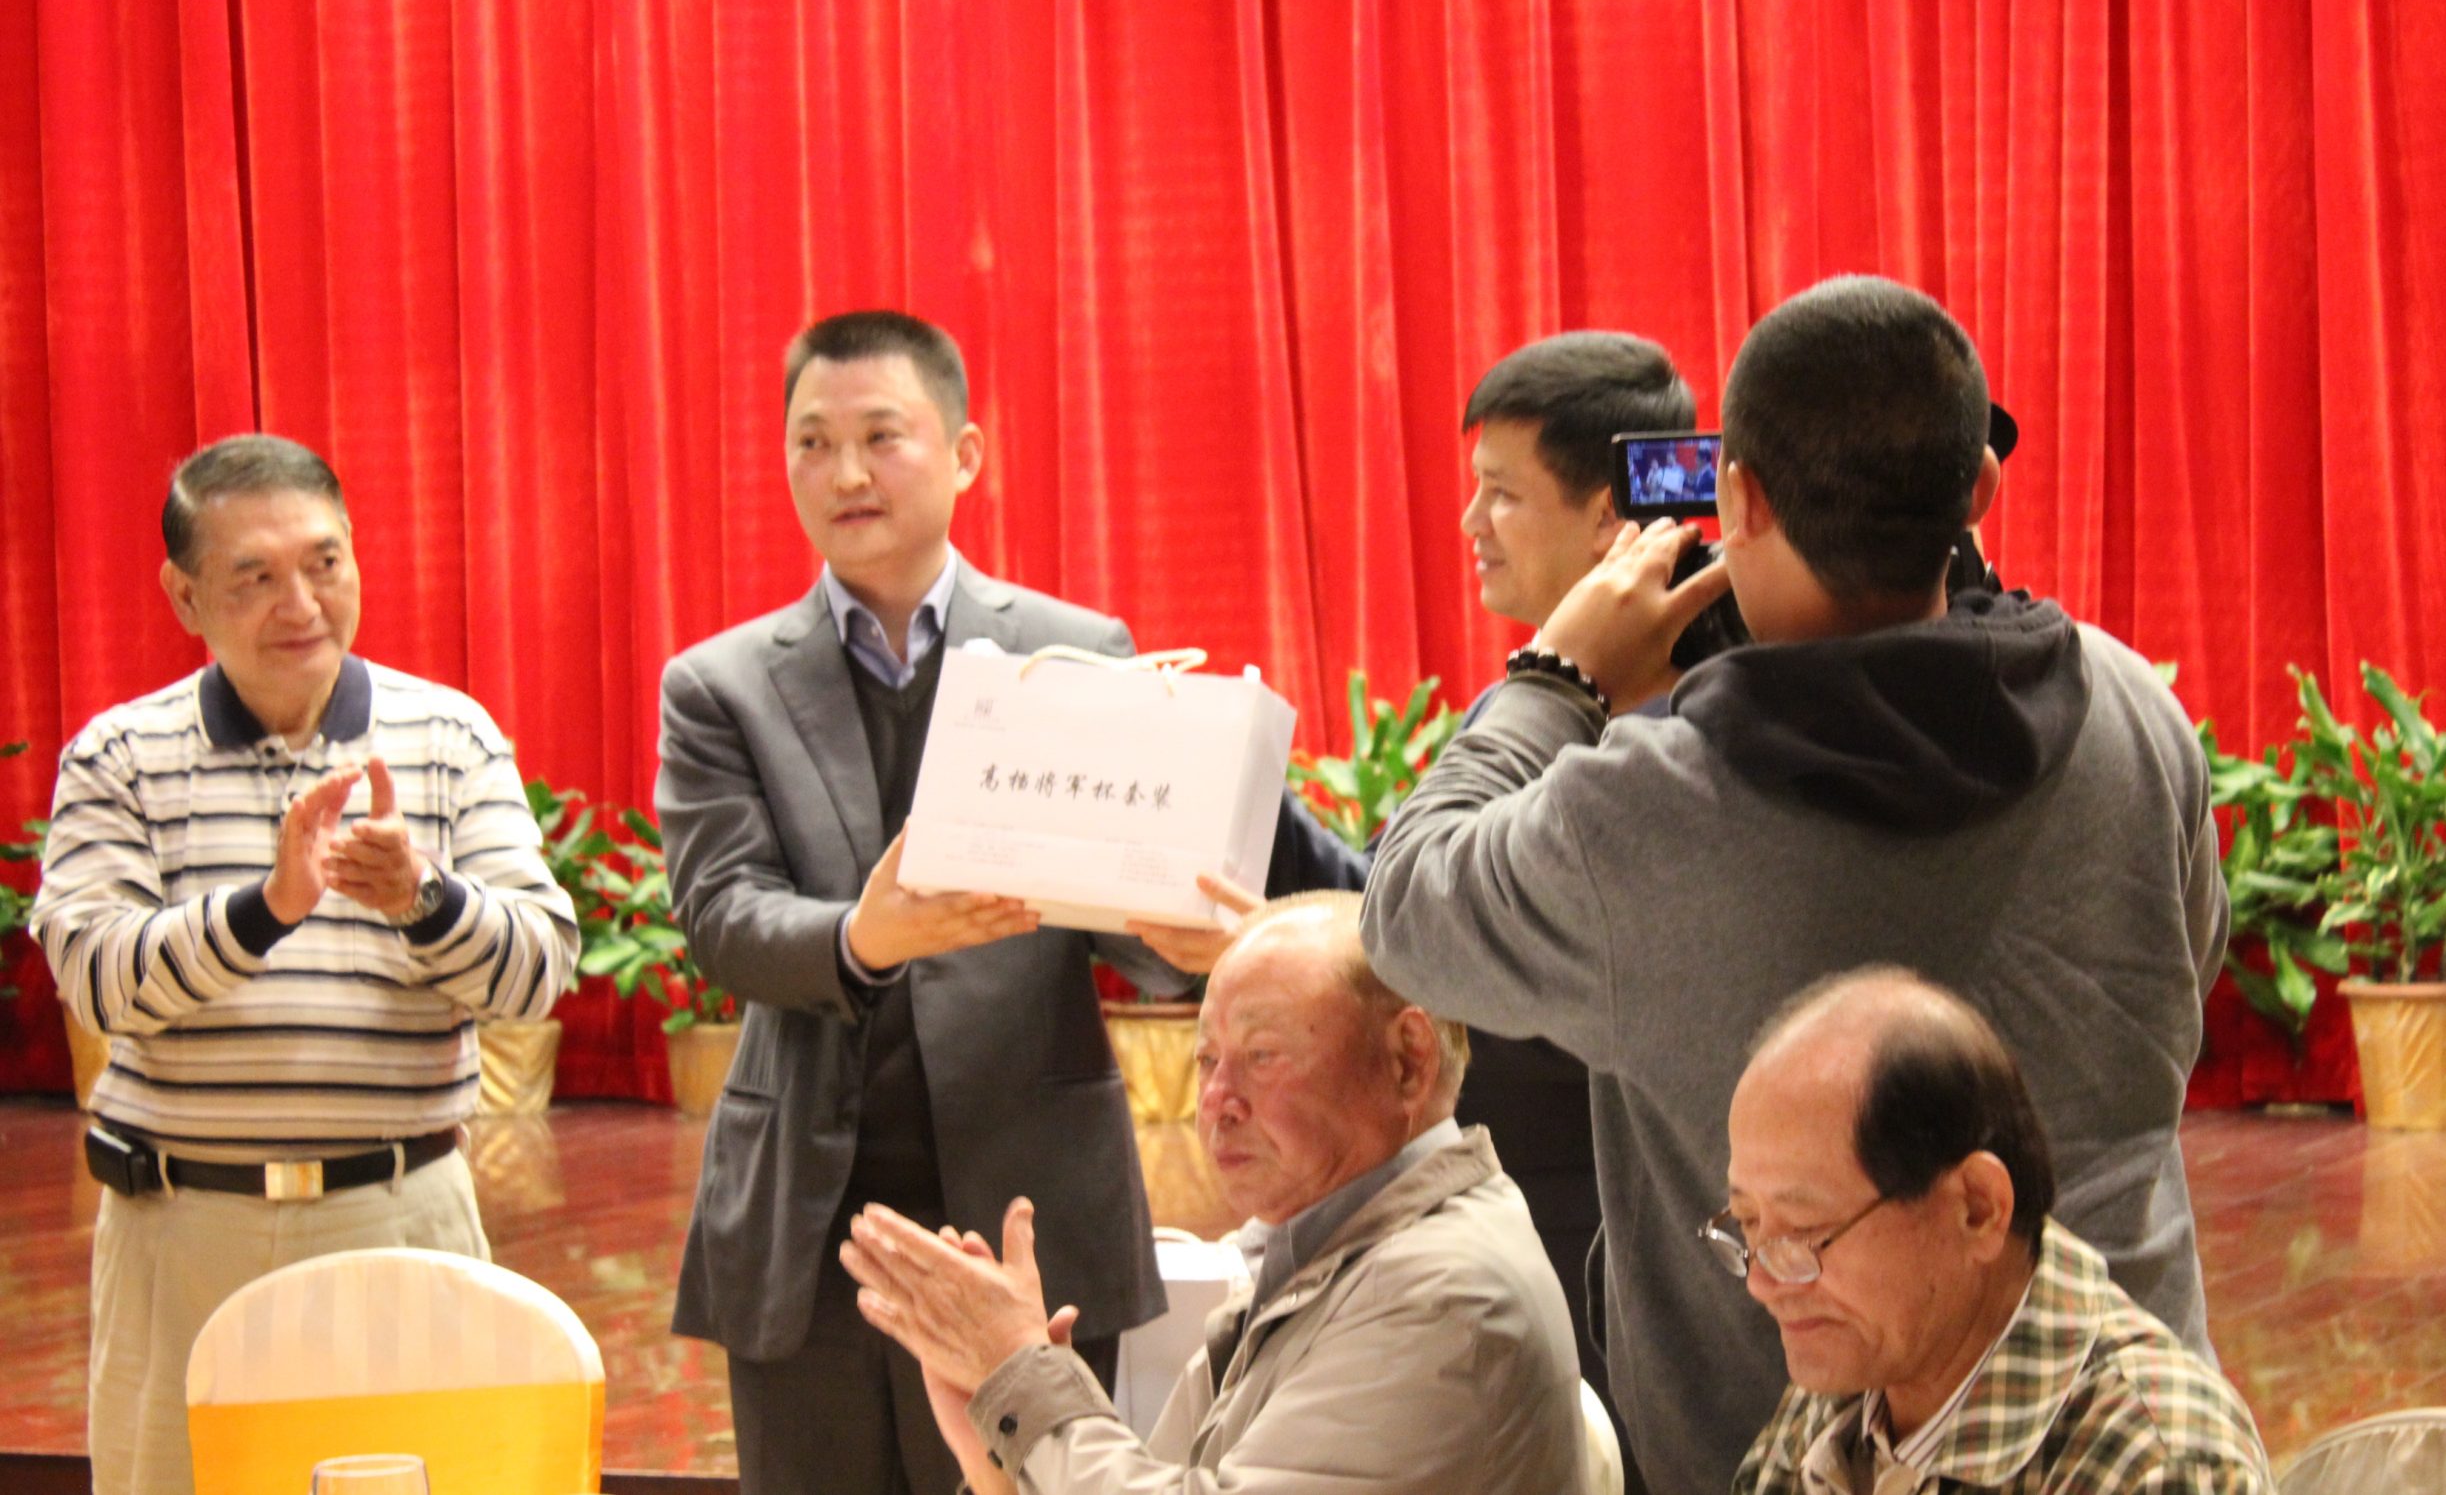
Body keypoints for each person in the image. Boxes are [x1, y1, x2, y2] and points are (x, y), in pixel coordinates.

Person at [1362, 276, 2226, 1492]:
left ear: (1741, 499)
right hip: (2119, 1419)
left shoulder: (1648, 812)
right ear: (1979, 489)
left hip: (1788, 1451)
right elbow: (2186, 967)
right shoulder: (2127, 707)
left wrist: (1557, 677)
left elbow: (1407, 908)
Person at [655, 311, 1190, 1495]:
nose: (845, 472)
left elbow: (1127, 906)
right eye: (811, 442)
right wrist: (861, 938)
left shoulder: (1071, 652)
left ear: (964, 453)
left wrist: (1182, 940)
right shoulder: (719, 686)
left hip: (1027, 1205)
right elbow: (722, 917)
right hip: (812, 1227)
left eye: (880, 436)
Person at [31, 434, 577, 1495]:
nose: (302, 604)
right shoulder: (119, 755)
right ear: (184, 597)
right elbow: (95, 978)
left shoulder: (450, 737)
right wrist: (264, 911)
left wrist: (420, 897)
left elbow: (537, 969)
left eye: (325, 563)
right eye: (255, 577)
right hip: (178, 1230)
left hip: (400, 1217)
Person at [1260, 330, 1695, 1461]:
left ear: (1611, 517)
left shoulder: (1668, 737)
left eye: (1502, 493)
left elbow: (1470, 956)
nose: (1470, 523)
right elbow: (1403, 905)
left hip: (1609, 1241)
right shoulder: (1541, 705)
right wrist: (1253, 816)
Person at [840, 892, 1586, 1495]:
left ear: (1407, 1061)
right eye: (1206, 1060)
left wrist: (1022, 1377)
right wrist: (999, 1462)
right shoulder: (1326, 1246)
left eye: (1261, 1055)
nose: (1217, 1101)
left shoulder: (1441, 1293)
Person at [1723, 970, 2271, 1494]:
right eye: (1748, 1223)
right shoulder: (1852, 1384)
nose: (1764, 1284)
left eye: (1806, 1232)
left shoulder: (2155, 1461)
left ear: (1977, 1209)